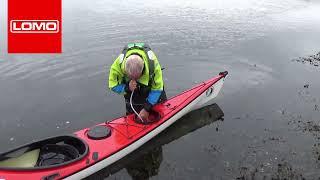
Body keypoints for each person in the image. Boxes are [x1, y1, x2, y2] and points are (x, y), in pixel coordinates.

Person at [108, 43, 166, 123]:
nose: (134, 80)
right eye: (131, 77)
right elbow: (113, 85)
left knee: (160, 112)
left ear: (143, 70)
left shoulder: (153, 65)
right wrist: (127, 88)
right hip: (131, 93)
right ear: (124, 69)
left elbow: (157, 88)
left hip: (150, 88)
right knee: (134, 117)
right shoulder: (116, 67)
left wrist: (147, 108)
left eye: (137, 78)